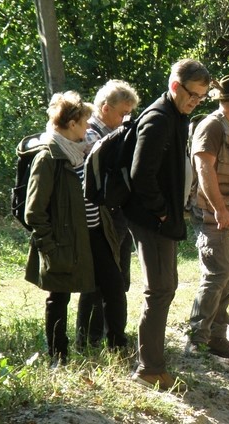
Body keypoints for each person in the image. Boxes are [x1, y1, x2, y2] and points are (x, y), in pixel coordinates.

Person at [125, 58, 211, 392]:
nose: (195, 102)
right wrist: (162, 212)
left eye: (201, 98)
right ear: (176, 86)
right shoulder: (159, 119)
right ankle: (149, 369)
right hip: (151, 220)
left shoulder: (177, 116)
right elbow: (140, 175)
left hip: (164, 219)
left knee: (166, 287)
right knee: (159, 290)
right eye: (192, 95)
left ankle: (154, 364)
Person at [185, 74, 229, 359]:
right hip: (217, 218)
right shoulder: (212, 126)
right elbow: (203, 168)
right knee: (216, 276)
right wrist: (219, 209)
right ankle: (196, 340)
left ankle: (216, 336)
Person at [24, 91, 97, 366]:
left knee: (80, 292)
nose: (88, 127)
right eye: (84, 122)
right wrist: (50, 248)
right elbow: (34, 211)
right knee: (58, 299)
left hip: (80, 239)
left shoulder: (75, 153)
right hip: (59, 244)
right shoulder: (48, 157)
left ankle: (81, 347)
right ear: (71, 123)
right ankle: (58, 357)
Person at [76, 79, 140, 350]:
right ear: (104, 108)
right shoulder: (89, 135)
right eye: (122, 113)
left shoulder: (117, 133)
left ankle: (109, 332)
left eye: (129, 114)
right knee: (97, 283)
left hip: (119, 217)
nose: (126, 119)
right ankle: (88, 339)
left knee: (119, 279)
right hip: (98, 221)